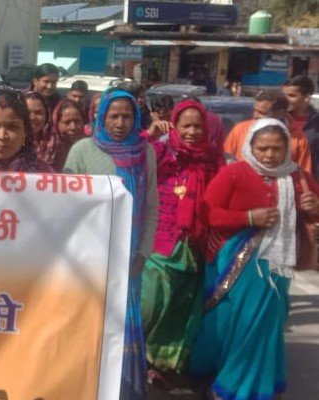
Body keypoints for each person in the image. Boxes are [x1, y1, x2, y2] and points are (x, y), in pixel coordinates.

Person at [190, 118, 319, 400]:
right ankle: (226, 379)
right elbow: (208, 213)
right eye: (263, 148)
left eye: (277, 148)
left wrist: (314, 208)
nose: (270, 155)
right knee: (236, 321)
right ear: (251, 146)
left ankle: (248, 386)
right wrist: (248, 218)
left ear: (287, 148)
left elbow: (313, 214)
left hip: (277, 265)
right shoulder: (235, 173)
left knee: (265, 324)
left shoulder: (297, 177)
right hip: (237, 260)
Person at [64, 89, 159, 400]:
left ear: (136, 118)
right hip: (89, 259)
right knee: (89, 324)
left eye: (126, 116)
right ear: (101, 117)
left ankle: (123, 390)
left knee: (123, 324)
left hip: (129, 260)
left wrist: (143, 252)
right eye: (113, 116)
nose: (120, 123)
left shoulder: (145, 153)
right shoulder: (81, 150)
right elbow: (67, 206)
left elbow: (151, 206)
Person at [140, 100, 224, 387]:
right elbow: (133, 159)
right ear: (174, 125)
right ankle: (137, 356)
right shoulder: (161, 153)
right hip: (161, 242)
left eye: (198, 126)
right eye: (185, 125)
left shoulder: (213, 160)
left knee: (180, 308)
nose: (192, 131)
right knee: (152, 303)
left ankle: (162, 365)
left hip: (196, 246)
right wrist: (149, 135)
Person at [224, 90, 312, 175]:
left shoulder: (299, 138)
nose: (255, 115)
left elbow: (303, 174)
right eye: (255, 110)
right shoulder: (240, 129)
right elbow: (226, 162)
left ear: (280, 113)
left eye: (262, 113)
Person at [283, 76, 319, 179]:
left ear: (306, 97)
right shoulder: (277, 119)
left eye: (291, 95)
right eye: (284, 95)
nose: (285, 99)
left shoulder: (316, 123)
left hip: (309, 180)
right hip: (280, 179)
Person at [49, 99, 87, 172]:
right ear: (56, 124)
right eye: (67, 122)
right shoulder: (48, 150)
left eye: (77, 121)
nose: (73, 127)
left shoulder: (90, 148)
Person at [25, 91, 56, 167]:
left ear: (47, 116)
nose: (32, 118)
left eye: (38, 113)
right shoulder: (9, 142)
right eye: (27, 113)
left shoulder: (56, 144)